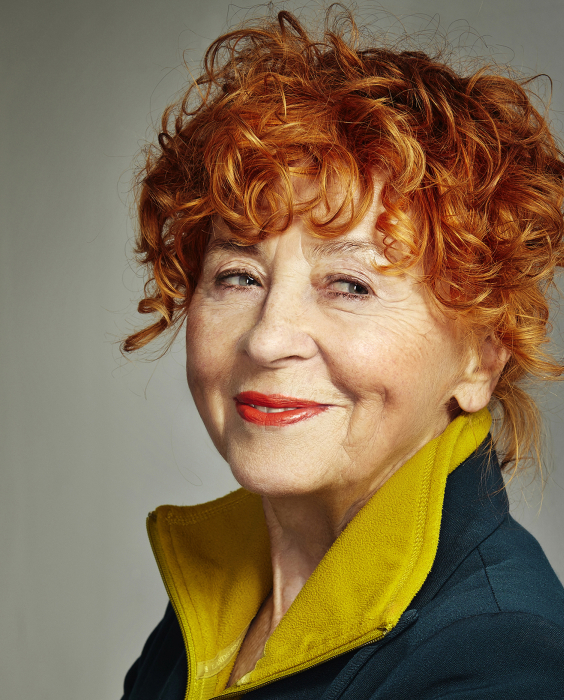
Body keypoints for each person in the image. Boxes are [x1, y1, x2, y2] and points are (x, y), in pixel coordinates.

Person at [120, 8, 564, 699]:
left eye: (350, 285)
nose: (268, 337)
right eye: (239, 276)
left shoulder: (500, 656)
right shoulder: (208, 609)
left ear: (482, 357)